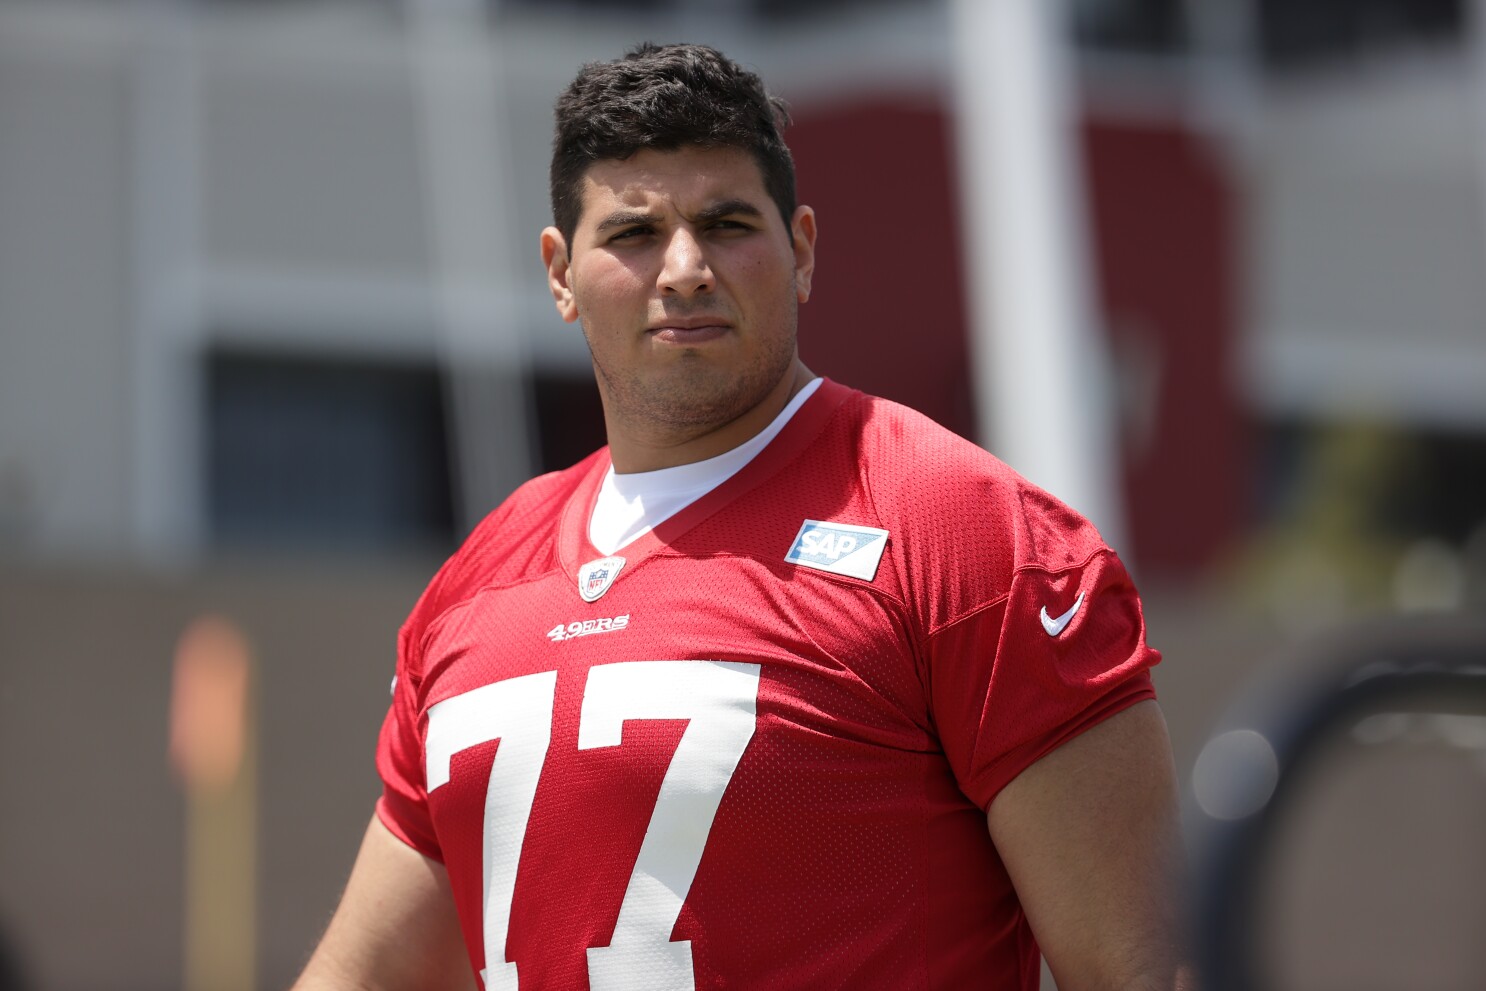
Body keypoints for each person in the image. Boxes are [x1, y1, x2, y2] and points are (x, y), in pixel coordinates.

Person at [294, 42, 1190, 991]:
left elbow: (1144, 968)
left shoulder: (960, 529)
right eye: (633, 235)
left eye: (726, 223)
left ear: (802, 250)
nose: (684, 270)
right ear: (559, 273)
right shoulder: (478, 580)